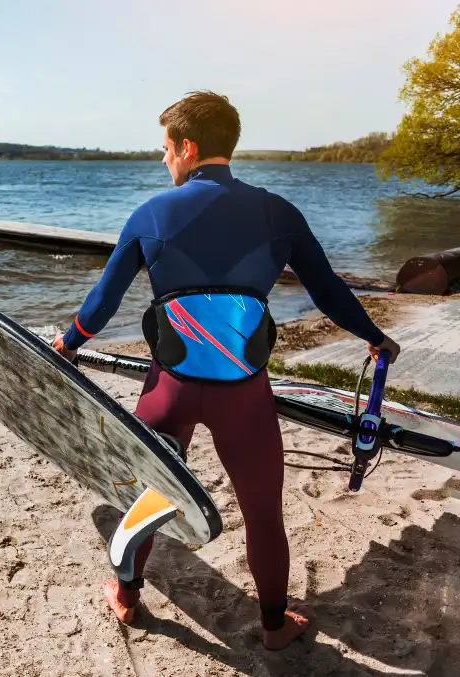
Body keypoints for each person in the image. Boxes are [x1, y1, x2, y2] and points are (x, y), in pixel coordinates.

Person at [51, 90, 401, 651]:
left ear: (188, 148)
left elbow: (103, 302)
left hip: (170, 388)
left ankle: (125, 598)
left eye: (166, 150)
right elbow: (328, 290)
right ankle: (274, 628)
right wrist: (375, 339)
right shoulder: (278, 212)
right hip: (244, 395)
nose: (164, 161)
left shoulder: (150, 215)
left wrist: (68, 344)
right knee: (263, 512)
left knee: (146, 494)